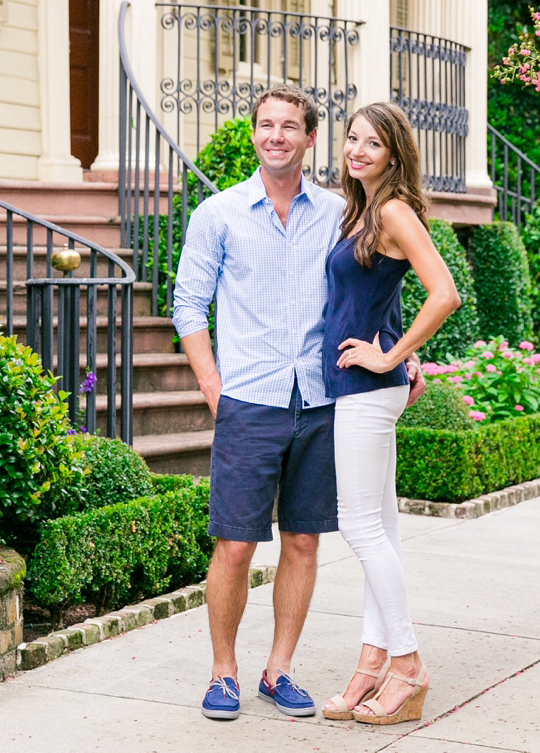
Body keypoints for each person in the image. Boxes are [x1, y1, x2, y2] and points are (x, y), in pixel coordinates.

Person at [171, 85, 347, 722]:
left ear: (309, 138)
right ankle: (224, 672)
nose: (277, 135)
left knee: (302, 542)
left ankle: (279, 670)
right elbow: (187, 304)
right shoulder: (218, 214)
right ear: (254, 135)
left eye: (290, 126)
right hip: (248, 398)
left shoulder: (337, 212)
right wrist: (212, 386)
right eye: (266, 125)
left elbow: (363, 289)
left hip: (319, 399)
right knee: (236, 546)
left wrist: (394, 350)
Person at [319, 101, 460, 726]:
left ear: (394, 153)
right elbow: (377, 296)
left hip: (365, 390)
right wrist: (399, 352)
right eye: (352, 139)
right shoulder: (364, 212)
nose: (357, 151)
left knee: (359, 527)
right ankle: (372, 661)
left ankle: (407, 665)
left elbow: (445, 292)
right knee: (382, 526)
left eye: (372, 143)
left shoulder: (394, 211)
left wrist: (393, 357)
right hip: (360, 387)